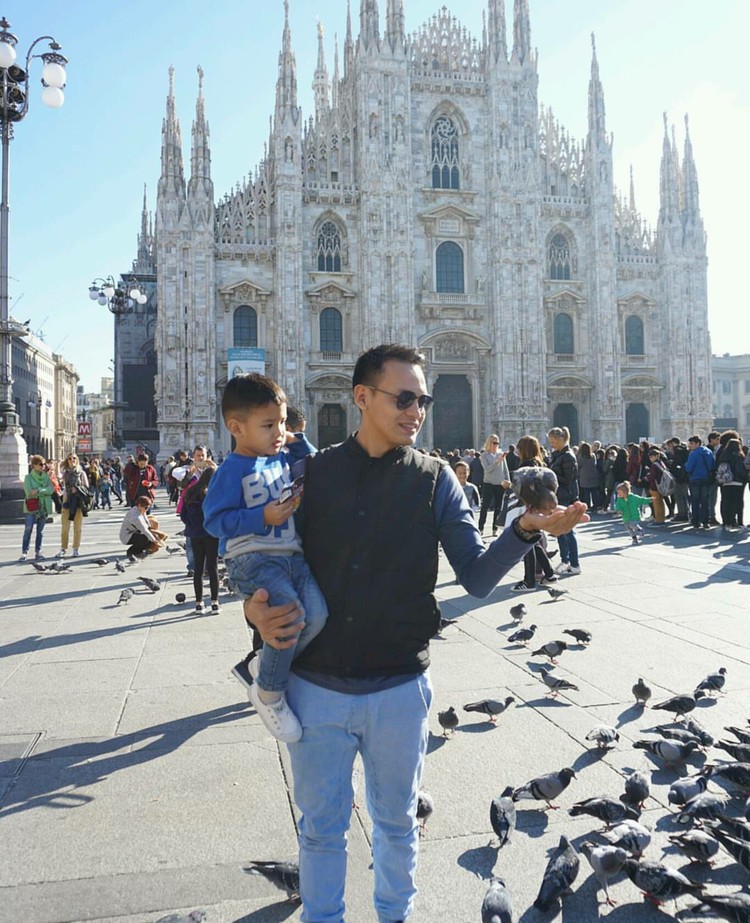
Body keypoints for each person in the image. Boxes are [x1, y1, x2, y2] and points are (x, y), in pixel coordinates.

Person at [240, 344, 588, 923]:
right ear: (362, 398)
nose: (417, 410)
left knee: (398, 822)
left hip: (400, 689)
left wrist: (525, 529)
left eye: (422, 399)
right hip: (317, 688)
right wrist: (252, 612)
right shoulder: (310, 474)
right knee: (322, 830)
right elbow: (259, 556)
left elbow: (475, 578)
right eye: (404, 398)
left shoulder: (435, 481)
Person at [203, 373, 329, 745]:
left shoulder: (279, 457)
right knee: (290, 619)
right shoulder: (231, 470)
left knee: (317, 616)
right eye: (269, 425)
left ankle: (263, 667)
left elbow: (315, 463)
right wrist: (263, 517)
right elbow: (214, 521)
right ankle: (269, 694)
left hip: (290, 555)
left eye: (282, 423)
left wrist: (296, 437)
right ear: (236, 428)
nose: (278, 432)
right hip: (253, 559)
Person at [509, 435, 559, 592]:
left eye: (519, 448)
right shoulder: (539, 463)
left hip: (527, 508)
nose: (517, 451)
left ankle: (529, 581)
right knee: (534, 542)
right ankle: (549, 574)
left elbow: (524, 489)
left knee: (527, 542)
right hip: (536, 507)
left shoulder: (527, 466)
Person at [180, 465, 221, 612]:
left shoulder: (191, 491)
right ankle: (215, 602)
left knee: (198, 568)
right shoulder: (214, 494)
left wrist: (191, 526)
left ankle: (199, 603)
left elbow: (183, 514)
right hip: (211, 534)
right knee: (212, 567)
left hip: (195, 534)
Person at [547, 426, 582, 575]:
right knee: (560, 530)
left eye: (554, 441)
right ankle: (565, 560)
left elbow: (568, 479)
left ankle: (574, 564)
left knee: (568, 530)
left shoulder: (568, 456)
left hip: (566, 496)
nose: (552, 444)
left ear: (561, 439)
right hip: (559, 496)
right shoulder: (558, 454)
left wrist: (551, 474)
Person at [20, 455, 54, 561]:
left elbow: (51, 490)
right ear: (34, 465)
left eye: (44, 464)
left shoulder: (46, 477)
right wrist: (44, 491)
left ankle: (38, 552)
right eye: (40, 464)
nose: (43, 466)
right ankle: (24, 552)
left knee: (40, 532)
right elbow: (29, 492)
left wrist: (39, 490)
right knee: (28, 529)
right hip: (31, 507)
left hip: (43, 507)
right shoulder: (28, 478)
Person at [478, 434, 511, 536]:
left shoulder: (500, 454)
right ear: (489, 443)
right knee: (485, 507)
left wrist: (508, 480)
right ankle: (480, 528)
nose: (496, 445)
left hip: (500, 484)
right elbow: (487, 469)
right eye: (494, 443)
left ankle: (494, 529)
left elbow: (505, 469)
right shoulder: (484, 456)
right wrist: (497, 461)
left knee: (498, 507)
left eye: (498, 443)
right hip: (488, 483)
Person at [57, 453, 89, 557]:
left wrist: (78, 488)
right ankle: (63, 548)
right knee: (65, 528)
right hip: (67, 501)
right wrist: (57, 466)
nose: (72, 460)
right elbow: (59, 478)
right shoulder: (65, 473)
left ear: (77, 460)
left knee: (77, 528)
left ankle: (75, 548)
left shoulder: (81, 473)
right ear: (67, 461)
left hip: (78, 501)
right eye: (70, 459)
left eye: (74, 458)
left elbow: (87, 486)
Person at [715, 437, 747, 531]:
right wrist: (745, 478)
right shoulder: (738, 456)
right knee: (736, 502)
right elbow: (739, 470)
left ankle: (726, 522)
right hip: (737, 482)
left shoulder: (723, 455)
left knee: (726, 502)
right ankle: (736, 522)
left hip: (726, 482)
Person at [685, 435, 715, 530]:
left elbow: (688, 467)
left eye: (692, 443)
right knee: (705, 501)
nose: (690, 445)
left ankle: (696, 521)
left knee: (695, 500)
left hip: (695, 479)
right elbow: (712, 466)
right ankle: (706, 521)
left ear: (697, 443)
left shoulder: (693, 454)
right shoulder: (708, 452)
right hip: (706, 479)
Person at [614, 481, 652, 545]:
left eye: (620, 492)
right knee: (628, 528)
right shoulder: (619, 499)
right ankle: (634, 539)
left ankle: (639, 530)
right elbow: (617, 506)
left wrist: (650, 499)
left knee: (632, 524)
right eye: (618, 493)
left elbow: (641, 500)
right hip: (626, 517)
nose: (618, 494)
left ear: (625, 492)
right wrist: (618, 510)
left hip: (634, 516)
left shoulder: (633, 497)